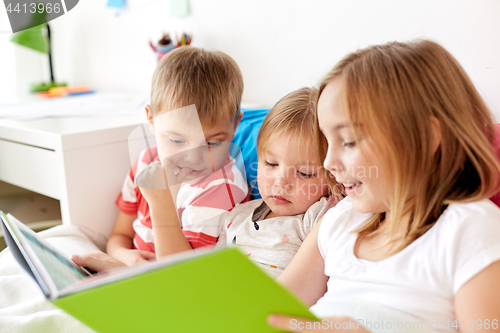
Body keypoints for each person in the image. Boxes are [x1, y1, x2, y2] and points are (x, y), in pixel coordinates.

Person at [268, 40, 500, 332]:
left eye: (349, 141)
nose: (328, 162)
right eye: (328, 142)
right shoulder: (340, 221)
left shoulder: (469, 231)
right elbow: (270, 316)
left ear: (425, 138)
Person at [140, 87, 340, 277]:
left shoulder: (319, 217)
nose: (281, 182)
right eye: (271, 164)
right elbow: (204, 275)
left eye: (305, 173)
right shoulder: (236, 216)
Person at [107, 46, 249, 265]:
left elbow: (186, 274)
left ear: (235, 126)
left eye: (211, 143)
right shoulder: (145, 162)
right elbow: (119, 236)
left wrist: (160, 203)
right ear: (151, 119)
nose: (193, 158)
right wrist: (124, 256)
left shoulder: (224, 188)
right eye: (177, 141)